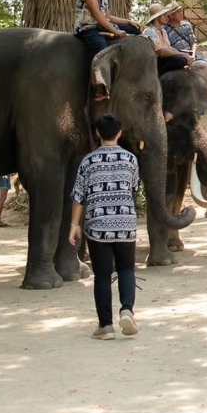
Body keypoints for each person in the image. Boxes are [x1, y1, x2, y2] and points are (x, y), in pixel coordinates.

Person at [69, 114, 140, 341]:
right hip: (126, 224)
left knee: (102, 275)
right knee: (127, 269)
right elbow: (134, 189)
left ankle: (106, 326)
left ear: (98, 133)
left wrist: (74, 226)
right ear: (119, 133)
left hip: (98, 226)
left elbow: (79, 197)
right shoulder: (130, 159)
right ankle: (127, 309)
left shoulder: (88, 161)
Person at [73, 0, 143, 62]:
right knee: (103, 51)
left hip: (101, 26)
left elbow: (108, 17)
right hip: (88, 28)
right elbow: (97, 14)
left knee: (135, 30)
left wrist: (128, 21)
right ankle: (98, 76)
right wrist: (116, 31)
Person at [143, 2, 193, 76]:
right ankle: (157, 76)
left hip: (163, 59)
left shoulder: (163, 31)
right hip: (154, 61)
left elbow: (169, 48)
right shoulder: (150, 31)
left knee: (182, 59)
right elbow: (161, 51)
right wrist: (182, 55)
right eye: (164, 15)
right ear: (158, 17)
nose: (167, 17)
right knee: (180, 61)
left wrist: (185, 55)